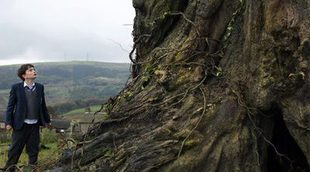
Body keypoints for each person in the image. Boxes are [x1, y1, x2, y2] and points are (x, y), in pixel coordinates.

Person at [1, 64, 51, 171]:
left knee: (33, 150)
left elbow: (43, 105)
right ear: (24, 75)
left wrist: (47, 120)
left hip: (35, 125)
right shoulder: (16, 88)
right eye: (30, 70)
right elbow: (10, 106)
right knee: (15, 150)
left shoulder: (40, 87)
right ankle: (9, 169)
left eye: (34, 69)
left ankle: (32, 169)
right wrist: (8, 122)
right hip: (20, 125)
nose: (34, 71)